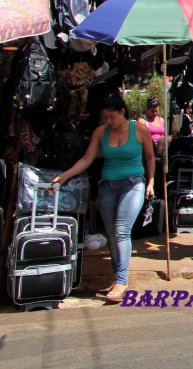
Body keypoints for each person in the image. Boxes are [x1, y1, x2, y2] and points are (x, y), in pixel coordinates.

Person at [52, 94, 156, 303]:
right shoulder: (101, 132)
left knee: (121, 230)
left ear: (122, 112)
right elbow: (87, 158)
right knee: (111, 234)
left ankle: (121, 280)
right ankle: (117, 275)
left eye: (112, 117)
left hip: (133, 184)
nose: (108, 122)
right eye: (105, 118)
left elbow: (150, 157)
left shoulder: (140, 130)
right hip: (107, 186)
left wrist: (151, 182)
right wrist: (64, 176)